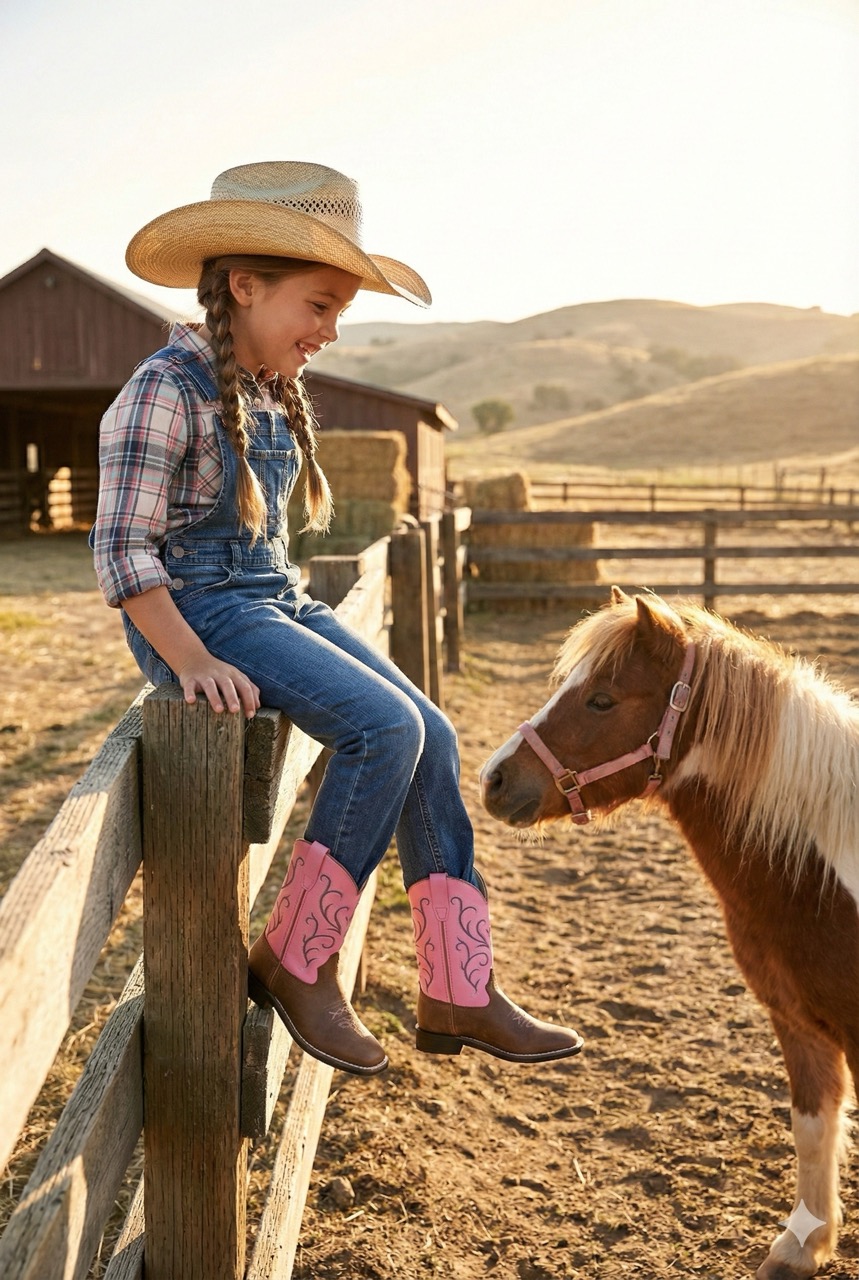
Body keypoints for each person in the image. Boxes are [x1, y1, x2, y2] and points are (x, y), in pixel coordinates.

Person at [92, 161, 583, 1076]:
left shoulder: (268, 386)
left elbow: (260, 553)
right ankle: (296, 957)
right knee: (381, 728)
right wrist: (189, 659)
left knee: (429, 730)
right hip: (197, 612)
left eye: (337, 315)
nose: (327, 332)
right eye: (317, 306)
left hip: (268, 595)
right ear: (244, 286)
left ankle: (457, 983)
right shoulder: (166, 387)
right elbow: (122, 551)